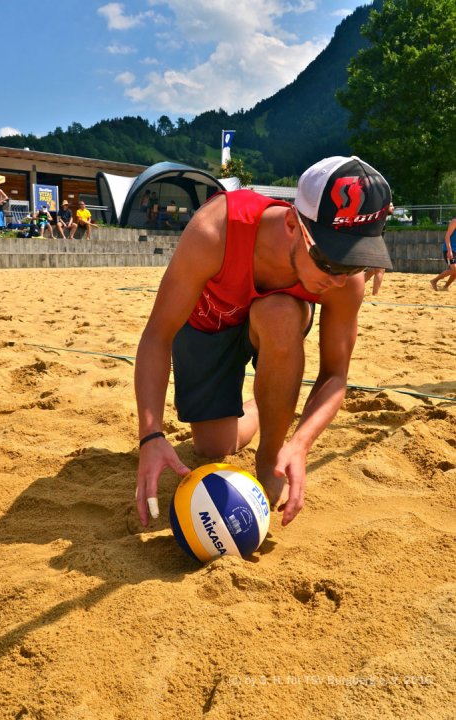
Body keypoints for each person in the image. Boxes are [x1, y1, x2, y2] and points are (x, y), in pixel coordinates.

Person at [134, 155, 393, 528]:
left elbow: (336, 375)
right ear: (292, 223)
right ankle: (263, 401)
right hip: (209, 323)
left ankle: (270, 454)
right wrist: (151, 435)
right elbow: (157, 334)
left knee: (280, 314)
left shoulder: (345, 279)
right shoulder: (215, 230)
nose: (341, 278)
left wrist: (299, 443)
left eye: (356, 263)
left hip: (273, 321)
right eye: (331, 260)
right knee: (212, 449)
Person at [364, 201, 394, 295]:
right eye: (391, 206)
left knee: (372, 270)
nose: (393, 208)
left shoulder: (381, 217)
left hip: (373, 243)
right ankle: (375, 295)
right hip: (374, 244)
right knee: (380, 269)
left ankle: (353, 287)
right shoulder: (378, 217)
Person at [430, 216, 456, 291]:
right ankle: (434, 281)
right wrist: (449, 250)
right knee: (454, 269)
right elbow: (447, 236)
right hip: (450, 250)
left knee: (454, 271)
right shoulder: (454, 221)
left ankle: (445, 287)